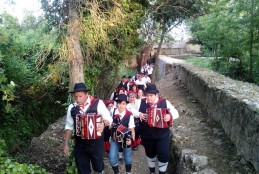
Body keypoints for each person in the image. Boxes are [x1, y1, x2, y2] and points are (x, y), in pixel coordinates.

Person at [64, 83, 113, 174]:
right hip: (80, 144)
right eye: (76, 97)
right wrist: (66, 143)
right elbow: (69, 126)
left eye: (80, 96)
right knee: (82, 170)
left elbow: (109, 118)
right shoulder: (72, 107)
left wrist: (103, 123)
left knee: (98, 168)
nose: (78, 99)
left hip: (96, 143)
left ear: (86, 94)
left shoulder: (97, 103)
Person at [138, 84, 179, 174]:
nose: (149, 98)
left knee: (163, 154)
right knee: (150, 153)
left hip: (162, 135)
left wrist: (170, 116)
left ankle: (162, 172)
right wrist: (139, 114)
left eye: (151, 95)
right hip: (147, 135)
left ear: (156, 95)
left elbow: (176, 113)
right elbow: (129, 108)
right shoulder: (141, 102)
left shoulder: (165, 102)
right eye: (147, 95)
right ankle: (152, 172)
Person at [109, 94, 135, 174]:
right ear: (117, 104)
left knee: (127, 157)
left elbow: (132, 129)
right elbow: (108, 121)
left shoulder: (129, 115)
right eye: (119, 103)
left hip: (126, 139)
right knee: (112, 157)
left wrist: (131, 140)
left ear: (126, 104)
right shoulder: (112, 111)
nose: (121, 106)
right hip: (115, 138)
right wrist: (109, 124)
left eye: (123, 103)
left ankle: (128, 172)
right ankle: (116, 172)